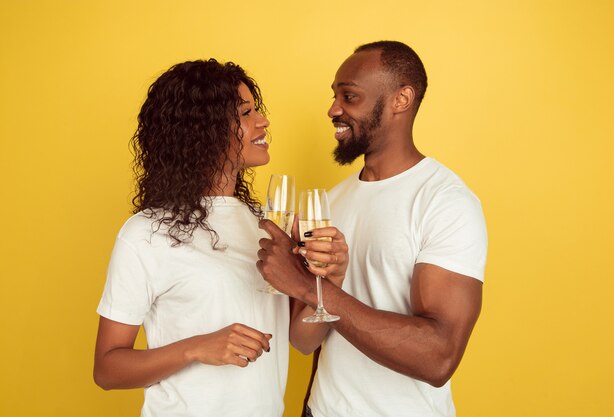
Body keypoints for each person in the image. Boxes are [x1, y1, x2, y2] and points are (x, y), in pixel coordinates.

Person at [257, 41, 488, 417]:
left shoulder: (446, 202)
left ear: (402, 99)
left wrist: (301, 285)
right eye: (334, 96)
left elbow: (438, 358)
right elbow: (303, 341)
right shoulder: (327, 203)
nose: (333, 110)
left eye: (349, 97)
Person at [93, 59, 289, 417]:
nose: (262, 122)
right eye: (246, 113)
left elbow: (301, 341)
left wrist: (329, 276)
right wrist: (195, 348)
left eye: (256, 110)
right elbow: (107, 369)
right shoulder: (145, 233)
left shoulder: (267, 226)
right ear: (205, 130)